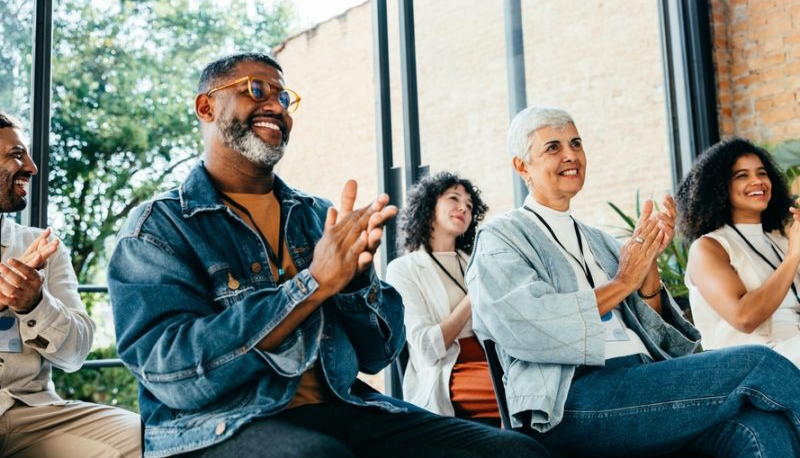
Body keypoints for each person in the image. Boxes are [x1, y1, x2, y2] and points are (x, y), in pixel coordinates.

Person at [108, 52, 546, 458]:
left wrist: (356, 283)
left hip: (344, 406)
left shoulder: (318, 216)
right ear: (206, 108)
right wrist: (313, 284)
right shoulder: (159, 228)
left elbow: (380, 353)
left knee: (517, 452)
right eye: (255, 90)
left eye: (283, 97)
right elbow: (173, 370)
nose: (277, 107)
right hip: (213, 426)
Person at [467, 104, 800, 457]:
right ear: (522, 166)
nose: (571, 156)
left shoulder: (600, 240)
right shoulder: (500, 237)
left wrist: (649, 263)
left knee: (760, 428)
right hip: (571, 399)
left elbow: (657, 332)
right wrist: (624, 280)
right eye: (554, 148)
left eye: (576, 144)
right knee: (758, 362)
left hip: (643, 383)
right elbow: (527, 325)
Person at [0, 111, 140, 457]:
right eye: (17, 154)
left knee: (152, 441)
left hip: (32, 414)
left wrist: (35, 304)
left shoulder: (42, 244)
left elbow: (76, 353)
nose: (31, 167)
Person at [386, 172, 498, 423]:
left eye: (470, 205)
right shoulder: (404, 269)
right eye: (454, 198)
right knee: (526, 393)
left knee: (546, 383)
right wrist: (473, 296)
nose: (463, 208)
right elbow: (426, 348)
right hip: (451, 371)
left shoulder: (475, 262)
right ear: (429, 206)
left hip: (495, 361)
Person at [676, 137, 800, 364]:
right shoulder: (708, 248)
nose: (757, 181)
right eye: (742, 175)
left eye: (762, 173)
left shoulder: (781, 242)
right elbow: (744, 318)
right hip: (755, 365)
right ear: (719, 186)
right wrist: (793, 256)